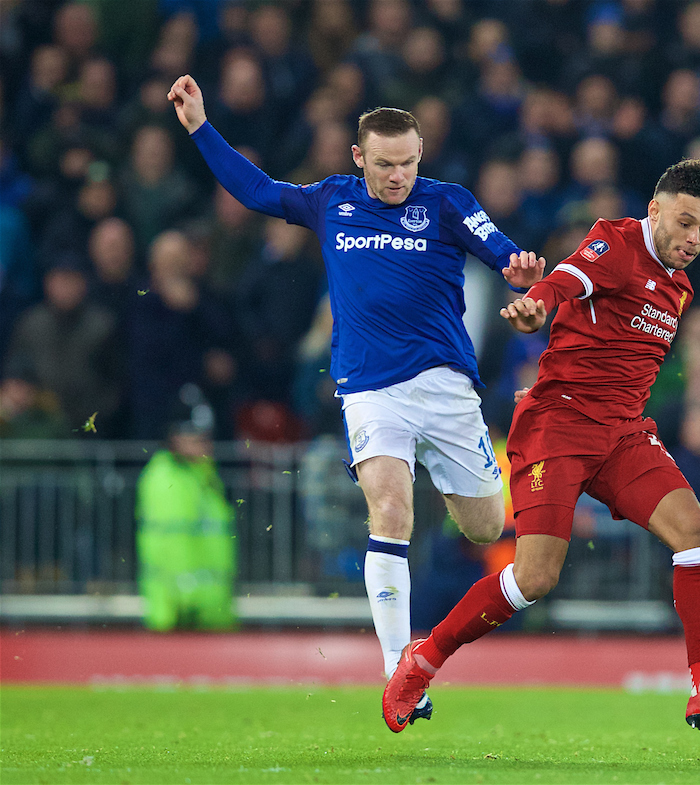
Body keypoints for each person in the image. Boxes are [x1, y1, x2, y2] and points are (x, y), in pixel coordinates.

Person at [167, 74, 545, 721]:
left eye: (407, 163)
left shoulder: (447, 202)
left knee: (486, 524)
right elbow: (257, 190)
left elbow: (502, 249)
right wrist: (202, 126)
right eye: (385, 164)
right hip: (371, 388)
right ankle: (403, 673)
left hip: (447, 388)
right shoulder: (330, 201)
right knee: (390, 510)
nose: (397, 176)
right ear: (358, 158)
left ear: (419, 156)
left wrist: (521, 270)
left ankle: (416, 625)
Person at [383, 159, 700, 734]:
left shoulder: (680, 289)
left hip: (622, 434)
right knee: (535, 578)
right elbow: (566, 281)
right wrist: (537, 303)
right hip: (558, 427)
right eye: (685, 223)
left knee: (698, 533)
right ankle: (424, 659)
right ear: (655, 210)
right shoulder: (614, 241)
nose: (693, 239)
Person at [135, 386, 235, 632]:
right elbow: (169, 543)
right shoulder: (164, 477)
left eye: (206, 436)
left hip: (210, 614)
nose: (204, 443)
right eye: (195, 435)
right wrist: (184, 600)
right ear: (175, 437)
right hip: (179, 615)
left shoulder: (205, 476)